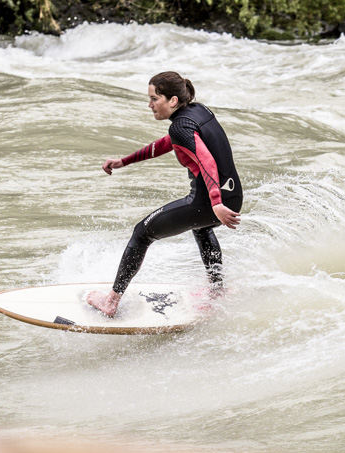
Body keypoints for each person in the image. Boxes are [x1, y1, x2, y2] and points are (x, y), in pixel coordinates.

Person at [87, 71, 242, 317]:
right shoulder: (198, 112)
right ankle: (217, 290)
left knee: (141, 233)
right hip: (233, 196)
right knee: (201, 228)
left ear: (172, 101)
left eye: (154, 99)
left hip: (211, 202)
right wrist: (123, 161)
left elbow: (207, 162)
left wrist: (215, 203)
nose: (149, 105)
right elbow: (166, 143)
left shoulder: (181, 126)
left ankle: (110, 301)